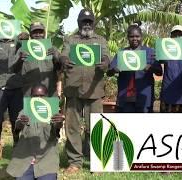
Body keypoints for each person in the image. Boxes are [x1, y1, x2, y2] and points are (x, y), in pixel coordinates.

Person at [59, 9, 110, 173]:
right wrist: (64, 60)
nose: (87, 24)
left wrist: (105, 63)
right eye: (84, 21)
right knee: (72, 127)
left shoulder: (100, 40)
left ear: (93, 23)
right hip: (73, 89)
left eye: (89, 21)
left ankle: (97, 161)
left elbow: (106, 56)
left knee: (95, 127)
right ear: (78, 23)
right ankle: (75, 162)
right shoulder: (70, 40)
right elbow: (63, 55)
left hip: (94, 90)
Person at [0, 31, 28, 162]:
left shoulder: (19, 42)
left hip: (16, 86)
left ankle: (16, 145)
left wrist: (26, 37)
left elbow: (31, 47)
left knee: (16, 119)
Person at [6, 84, 64, 180]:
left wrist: (59, 122)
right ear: (31, 97)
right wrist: (21, 122)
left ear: (47, 97)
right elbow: (17, 127)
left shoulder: (53, 111)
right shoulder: (25, 110)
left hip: (46, 160)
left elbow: (57, 127)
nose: (39, 98)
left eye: (42, 96)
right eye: (35, 96)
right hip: (25, 160)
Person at [107, 23, 162, 112]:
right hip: (125, 99)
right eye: (132, 36)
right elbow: (109, 72)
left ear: (141, 37)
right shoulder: (122, 53)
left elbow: (159, 72)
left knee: (144, 125)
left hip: (144, 98)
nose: (135, 39)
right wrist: (114, 69)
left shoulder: (150, 52)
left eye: (137, 36)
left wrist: (150, 68)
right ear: (128, 37)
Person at [12, 22, 60, 97]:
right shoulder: (23, 49)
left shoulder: (52, 48)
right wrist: (20, 60)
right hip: (29, 92)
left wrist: (55, 56)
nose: (38, 35)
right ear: (30, 35)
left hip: (50, 92)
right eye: (35, 32)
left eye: (40, 32)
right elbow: (14, 69)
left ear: (44, 33)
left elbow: (61, 68)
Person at [160, 25, 182, 113]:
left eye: (180, 34)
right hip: (168, 94)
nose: (177, 37)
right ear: (171, 37)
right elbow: (157, 66)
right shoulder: (165, 50)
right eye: (175, 34)